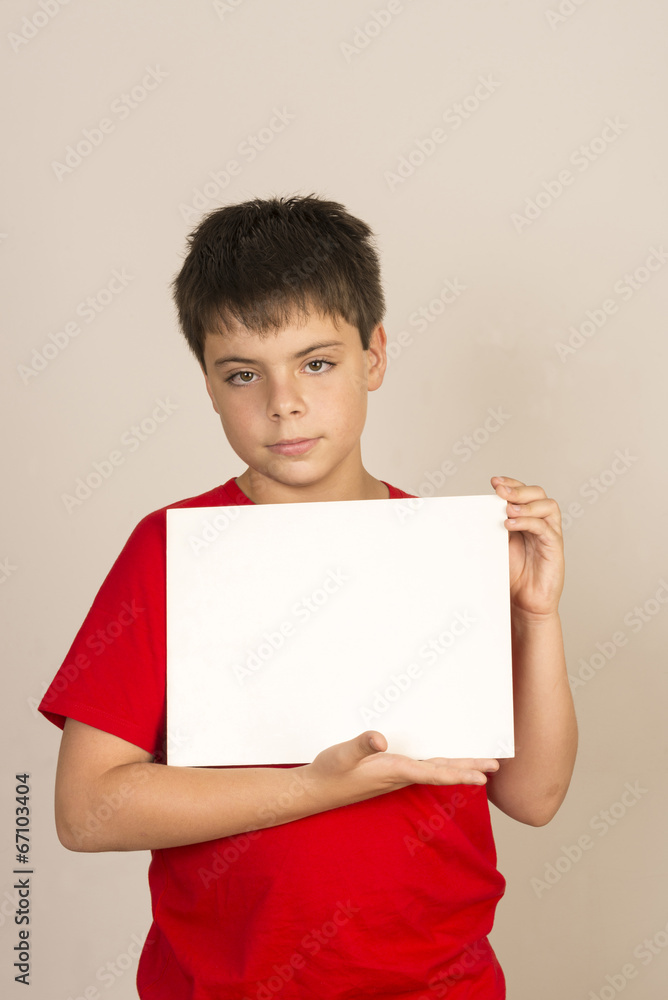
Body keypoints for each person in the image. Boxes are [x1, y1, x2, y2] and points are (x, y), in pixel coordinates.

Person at [39, 193, 578, 999]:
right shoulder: (170, 550)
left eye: (316, 362)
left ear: (375, 356)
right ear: (210, 387)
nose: (283, 402)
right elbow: (86, 811)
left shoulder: (445, 550)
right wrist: (314, 788)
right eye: (243, 374)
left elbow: (533, 796)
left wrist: (536, 617)